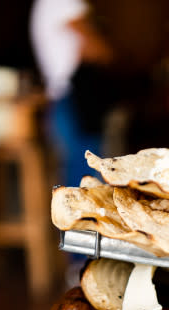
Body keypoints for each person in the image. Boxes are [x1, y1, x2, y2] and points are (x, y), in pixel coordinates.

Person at [29, 0, 114, 188]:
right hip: (73, 93)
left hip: (64, 92)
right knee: (84, 163)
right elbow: (94, 48)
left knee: (76, 162)